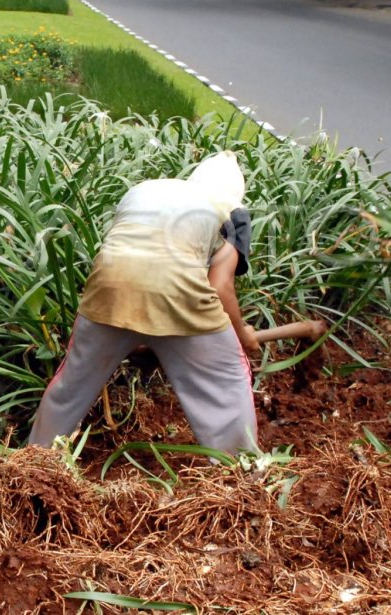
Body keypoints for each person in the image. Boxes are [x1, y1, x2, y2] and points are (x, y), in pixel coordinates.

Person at [28, 151, 261, 454]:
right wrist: (244, 337)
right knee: (228, 381)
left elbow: (135, 254)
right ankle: (241, 477)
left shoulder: (147, 190)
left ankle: (34, 462)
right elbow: (219, 286)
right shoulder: (233, 212)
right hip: (176, 291)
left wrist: (148, 337)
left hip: (110, 284)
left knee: (69, 387)